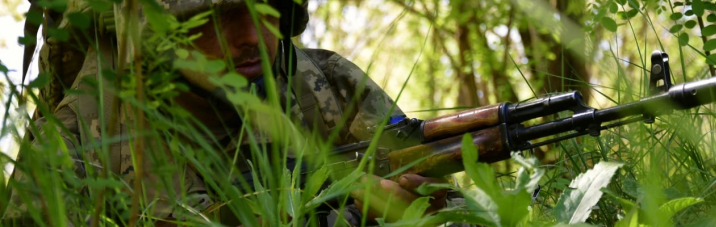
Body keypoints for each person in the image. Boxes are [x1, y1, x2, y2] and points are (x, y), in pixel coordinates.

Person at [2, 0, 448, 226]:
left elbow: (451, 203)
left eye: (265, 8)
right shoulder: (78, 139)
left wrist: (416, 210)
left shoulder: (326, 86)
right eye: (221, 18)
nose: (251, 36)